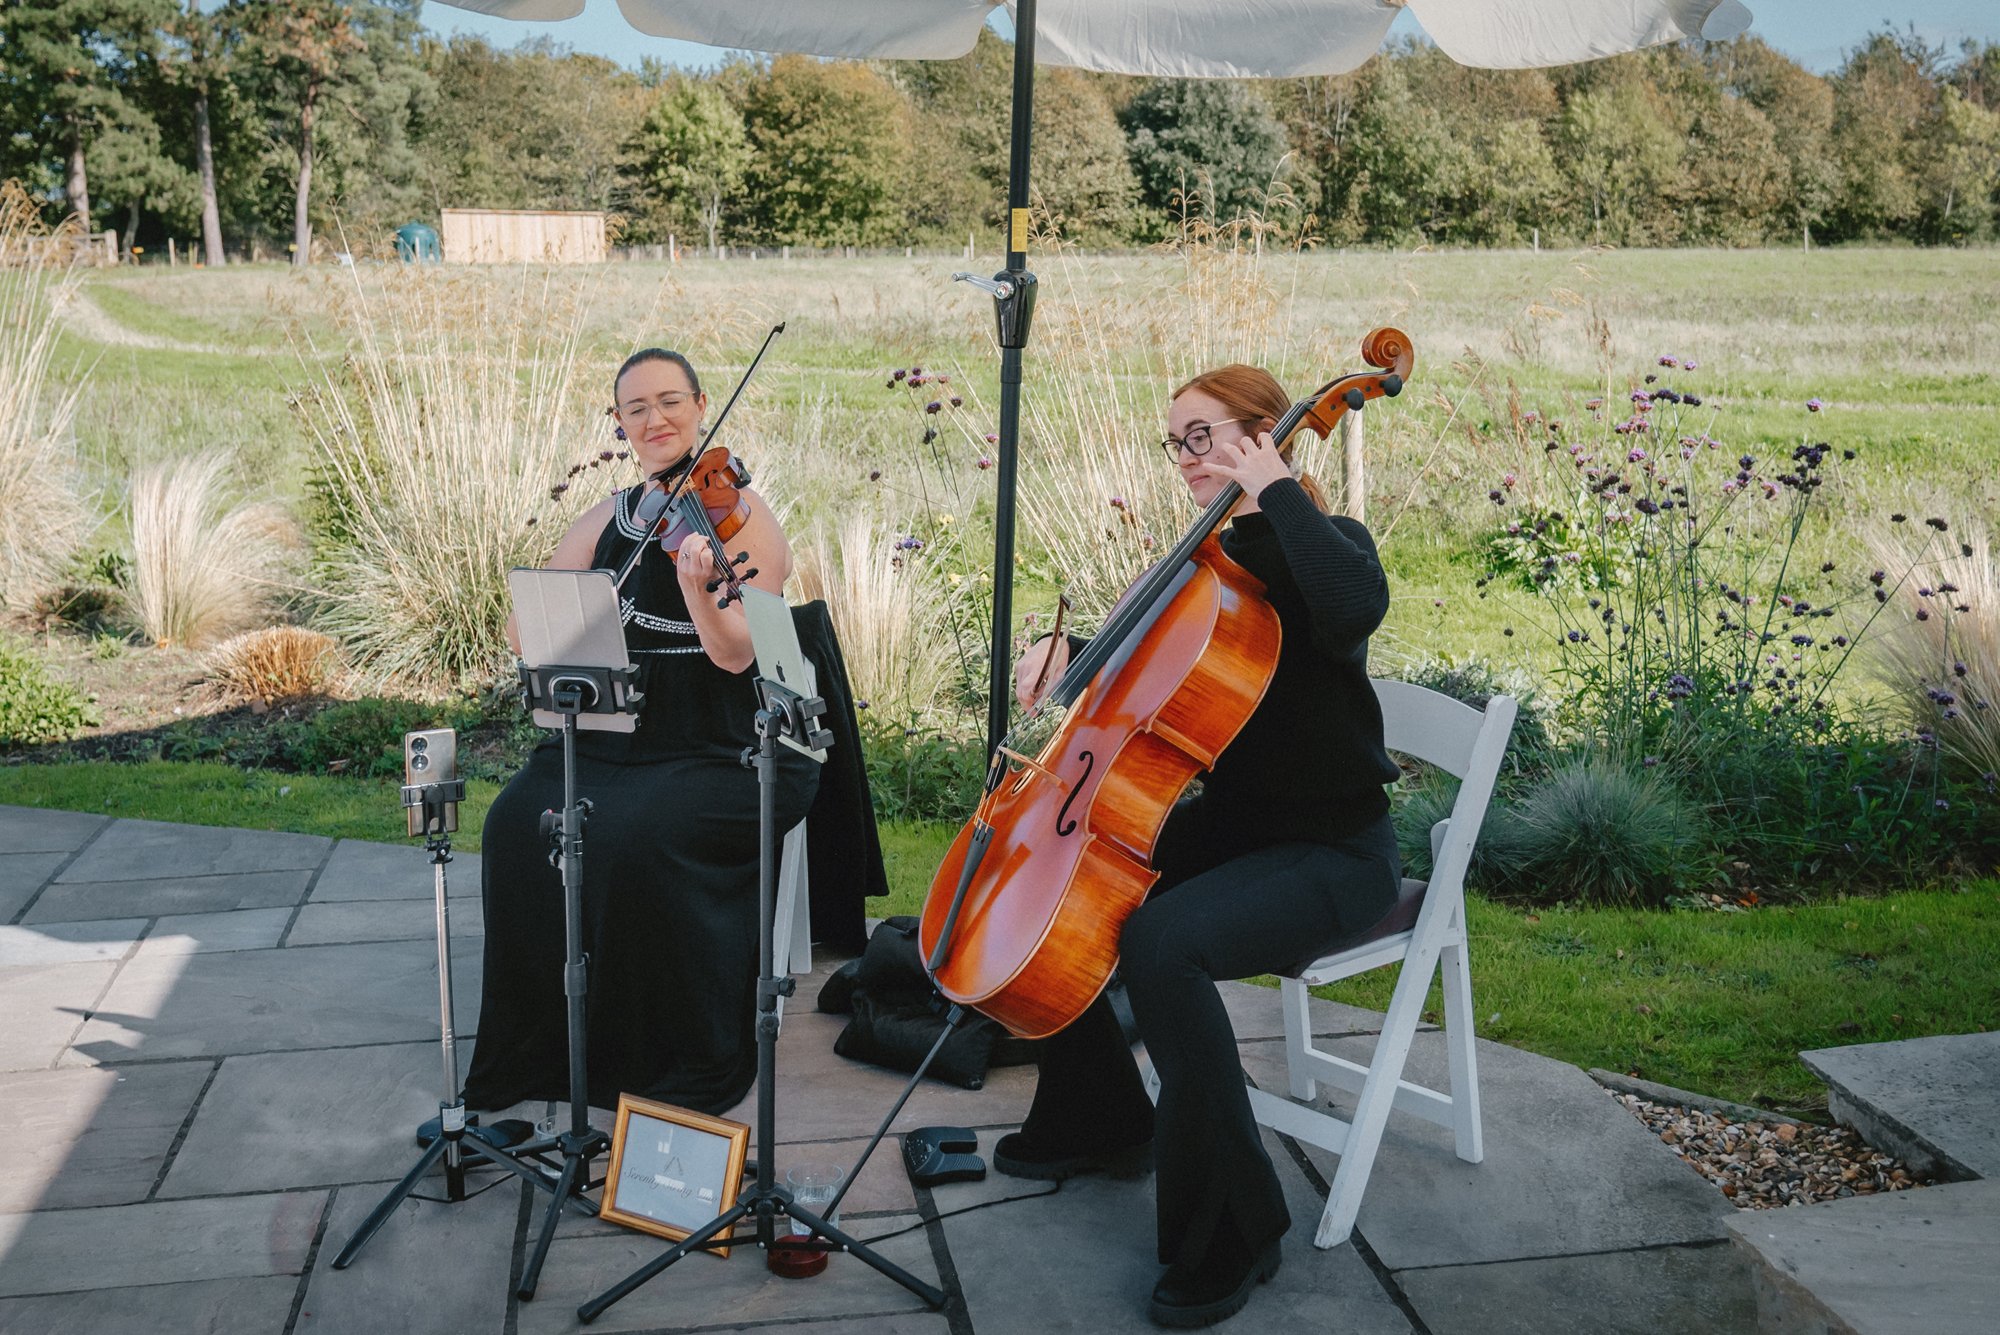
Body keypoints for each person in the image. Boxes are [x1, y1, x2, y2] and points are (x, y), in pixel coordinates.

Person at [1001, 364, 1403, 1328]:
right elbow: (1130, 697)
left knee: (1164, 943)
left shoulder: (1320, 545)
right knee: (1071, 894)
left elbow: (1353, 608)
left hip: (1335, 853)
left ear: (1266, 435)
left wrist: (1276, 491)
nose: (1185, 457)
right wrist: (1068, 667)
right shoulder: (1206, 566)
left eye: (1204, 435)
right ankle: (1100, 1118)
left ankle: (1235, 1224)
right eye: (1175, 440)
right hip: (1240, 832)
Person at [462, 348, 818, 1116]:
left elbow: (734, 653)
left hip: (724, 737)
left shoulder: (740, 516)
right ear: (619, 422)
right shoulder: (606, 518)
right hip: (615, 729)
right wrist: (555, 611)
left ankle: (666, 1058)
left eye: (670, 402)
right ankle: (546, 1053)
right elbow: (529, 632)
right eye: (637, 408)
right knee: (516, 823)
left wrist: (697, 587)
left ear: (700, 406)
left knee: (634, 836)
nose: (655, 420)